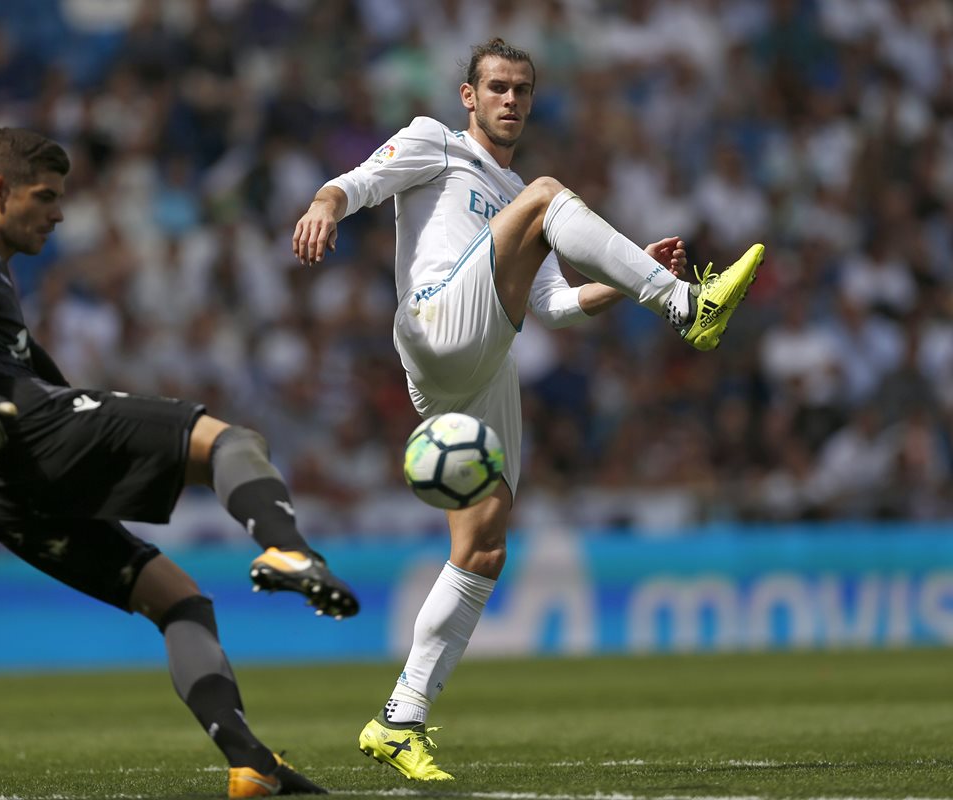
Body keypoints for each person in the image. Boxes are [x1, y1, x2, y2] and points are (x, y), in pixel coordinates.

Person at [292, 39, 764, 781]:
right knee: (548, 194)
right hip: (437, 322)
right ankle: (687, 307)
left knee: (482, 548)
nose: (511, 100)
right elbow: (353, 186)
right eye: (498, 88)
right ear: (468, 97)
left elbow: (556, 306)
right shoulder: (435, 143)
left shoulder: (517, 203)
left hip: (482, 360)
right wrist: (323, 206)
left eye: (523, 90)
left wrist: (630, 271)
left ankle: (400, 719)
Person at [0, 127, 359, 798]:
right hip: (27, 438)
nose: (57, 213)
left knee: (179, 600)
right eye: (45, 196)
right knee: (231, 442)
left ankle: (250, 763)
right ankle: (286, 549)